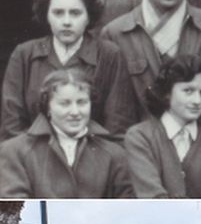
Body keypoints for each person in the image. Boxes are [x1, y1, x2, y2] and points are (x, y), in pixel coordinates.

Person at [2, 0, 136, 140]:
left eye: (75, 13)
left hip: (92, 156)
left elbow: (118, 123)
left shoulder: (109, 55)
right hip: (32, 157)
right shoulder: (24, 54)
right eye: (58, 13)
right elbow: (12, 123)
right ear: (47, 16)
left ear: (88, 17)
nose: (66, 22)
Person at [0, 68, 134, 198]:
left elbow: (126, 208)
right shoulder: (15, 152)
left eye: (82, 102)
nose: (75, 112)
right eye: (64, 104)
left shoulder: (114, 155)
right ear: (48, 107)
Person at [123, 54, 201, 198]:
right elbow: (152, 198)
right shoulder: (140, 137)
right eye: (188, 91)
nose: (197, 101)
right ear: (167, 93)